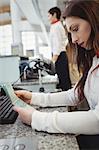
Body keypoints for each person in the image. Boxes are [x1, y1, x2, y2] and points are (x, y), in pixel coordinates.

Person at [13, 1, 99, 149]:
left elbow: (97, 120)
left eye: (76, 29)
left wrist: (38, 119)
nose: (74, 40)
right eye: (70, 33)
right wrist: (34, 97)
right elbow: (75, 95)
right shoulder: (94, 59)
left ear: (94, 20)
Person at [48, 7, 71, 91]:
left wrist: (54, 60)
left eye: (49, 16)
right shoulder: (55, 26)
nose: (48, 18)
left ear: (54, 15)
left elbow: (57, 44)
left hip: (59, 55)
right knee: (62, 79)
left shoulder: (57, 26)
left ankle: (68, 102)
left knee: (64, 80)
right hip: (59, 55)